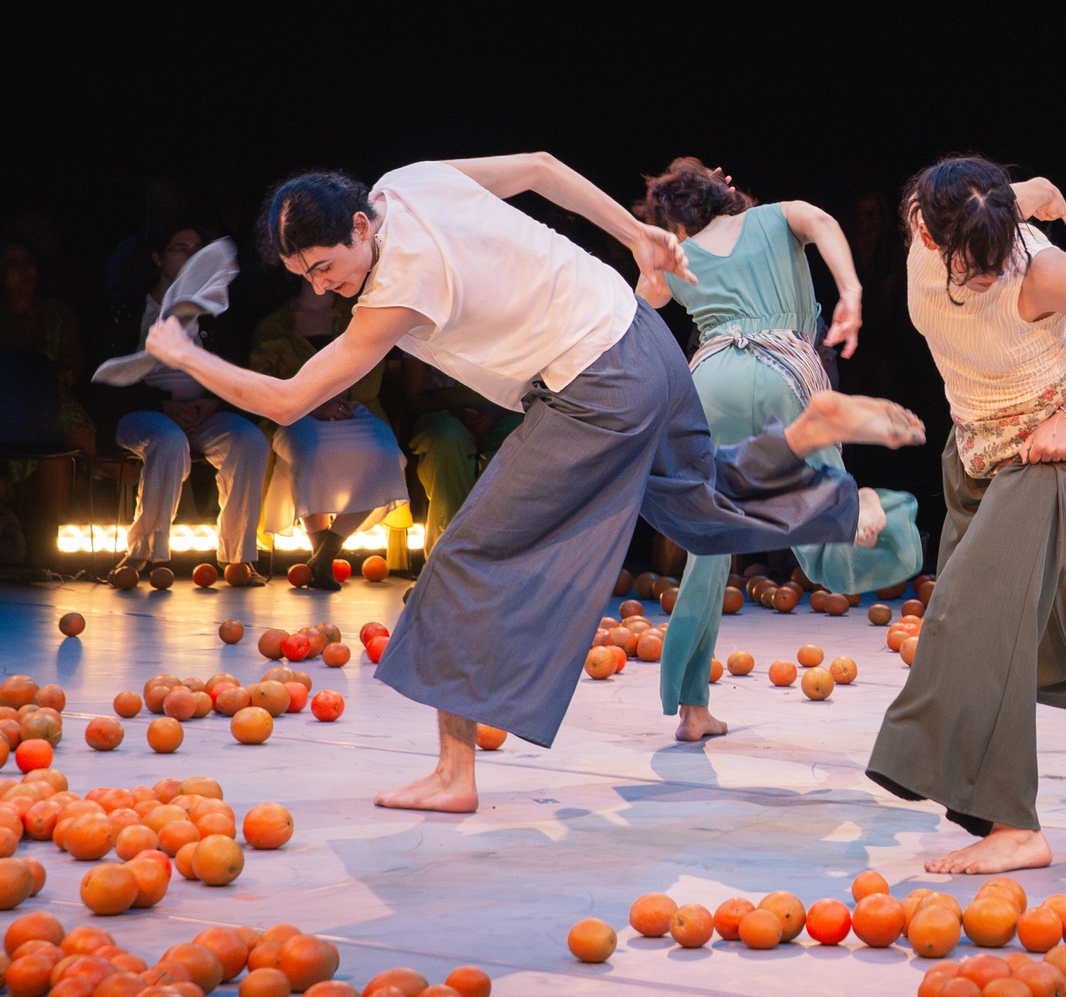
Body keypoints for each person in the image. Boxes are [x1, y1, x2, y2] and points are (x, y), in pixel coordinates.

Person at [145, 153, 926, 813]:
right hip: (641, 337)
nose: (321, 288)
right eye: (303, 277)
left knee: (465, 557)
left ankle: (455, 775)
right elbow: (540, 168)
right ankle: (827, 482)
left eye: (324, 267)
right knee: (696, 506)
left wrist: (184, 357)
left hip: (593, 385)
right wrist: (639, 235)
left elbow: (288, 400)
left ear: (359, 230)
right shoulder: (406, 183)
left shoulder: (393, 291)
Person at [867, 155, 1066, 874]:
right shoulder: (931, 221)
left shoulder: (1040, 271)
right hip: (973, 448)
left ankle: (1014, 824)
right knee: (1032, 631)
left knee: (972, 616)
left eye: (997, 257)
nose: (988, 276)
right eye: (974, 266)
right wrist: (1040, 191)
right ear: (928, 236)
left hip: (1049, 451)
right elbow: (1022, 193)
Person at [634, 157, 920, 742]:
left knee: (708, 544)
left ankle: (692, 709)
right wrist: (851, 291)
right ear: (724, 191)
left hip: (708, 381)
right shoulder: (773, 217)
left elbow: (647, 302)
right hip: (784, 371)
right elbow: (820, 220)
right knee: (825, 540)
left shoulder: (679, 253)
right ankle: (867, 504)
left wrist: (655, 248)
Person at [105, 224, 268, 577]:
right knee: (167, 439)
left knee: (248, 440)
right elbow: (110, 378)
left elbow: (235, 368)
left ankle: (239, 555)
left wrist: (212, 401)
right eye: (180, 248)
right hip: (146, 412)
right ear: (158, 258)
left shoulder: (214, 311)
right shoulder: (131, 309)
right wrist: (163, 405)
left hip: (203, 411)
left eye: (198, 248)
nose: (192, 255)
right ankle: (143, 552)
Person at [248, 279, 411, 587]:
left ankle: (327, 551)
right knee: (310, 451)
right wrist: (311, 406)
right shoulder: (275, 325)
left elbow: (371, 370)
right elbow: (263, 381)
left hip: (354, 408)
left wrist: (341, 397)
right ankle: (320, 553)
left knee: (386, 453)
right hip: (297, 412)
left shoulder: (357, 315)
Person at [2, 236, 94, 555]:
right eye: (13, 265)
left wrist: (58, 379)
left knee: (80, 437)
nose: (25, 272)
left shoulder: (57, 315)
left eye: (30, 263)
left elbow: (73, 360)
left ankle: (63, 532)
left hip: (48, 400)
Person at [401, 353, 519, 557]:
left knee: (519, 444)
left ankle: (502, 557)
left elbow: (533, 387)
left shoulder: (514, 323)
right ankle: (449, 555)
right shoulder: (423, 326)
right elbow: (414, 397)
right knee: (445, 440)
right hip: (442, 413)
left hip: (504, 410)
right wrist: (455, 410)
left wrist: (494, 413)